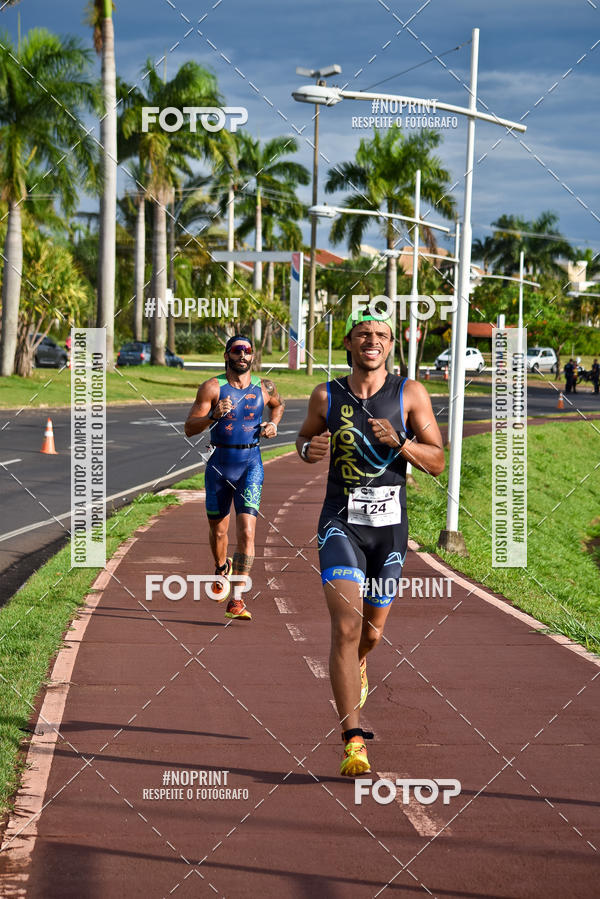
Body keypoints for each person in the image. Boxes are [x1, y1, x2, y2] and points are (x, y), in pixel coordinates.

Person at [296, 312, 445, 776]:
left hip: (389, 533)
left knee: (371, 634)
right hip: (340, 524)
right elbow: (304, 439)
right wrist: (307, 450)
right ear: (349, 342)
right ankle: (352, 739)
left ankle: (359, 661)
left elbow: (438, 461)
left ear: (391, 345)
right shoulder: (327, 394)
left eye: (382, 335)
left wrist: (401, 443)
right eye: (364, 334)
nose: (373, 341)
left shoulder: (410, 393)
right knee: (344, 627)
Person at [185, 334, 285, 620]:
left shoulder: (265, 387)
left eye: (248, 351)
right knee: (219, 531)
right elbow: (189, 428)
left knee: (248, 532)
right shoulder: (212, 387)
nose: (243, 355)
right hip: (219, 465)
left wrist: (272, 424)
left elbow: (278, 405)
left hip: (251, 464)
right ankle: (220, 568)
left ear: (253, 356)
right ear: (227, 355)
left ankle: (237, 599)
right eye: (237, 350)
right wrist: (213, 416)